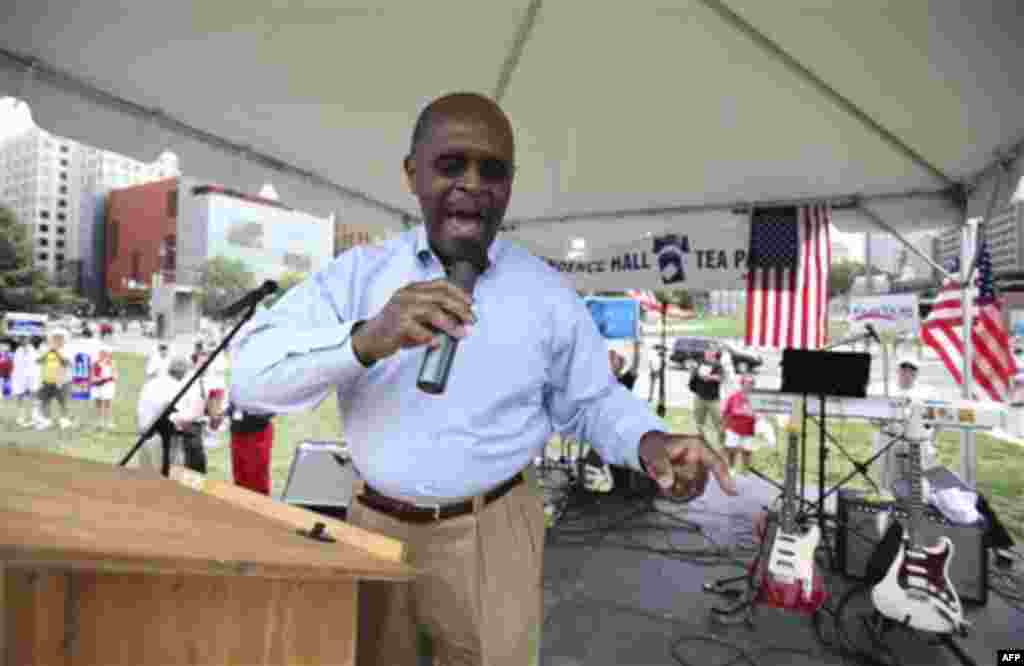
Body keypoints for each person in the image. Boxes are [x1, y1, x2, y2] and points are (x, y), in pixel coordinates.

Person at [230, 91, 736, 666]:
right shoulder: (358, 277)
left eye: (492, 169)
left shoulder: (544, 293)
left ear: (509, 186)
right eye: (451, 164)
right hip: (371, 525)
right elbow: (251, 379)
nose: (472, 183)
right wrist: (365, 339)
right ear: (412, 174)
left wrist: (651, 441)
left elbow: (592, 400)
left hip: (493, 532)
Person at [871, 356, 939, 492]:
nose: (907, 373)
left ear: (917, 373)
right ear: (898, 370)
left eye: (912, 370)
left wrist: (932, 441)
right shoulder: (883, 389)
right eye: (904, 369)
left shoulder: (929, 392)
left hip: (917, 443)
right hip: (889, 441)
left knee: (917, 484)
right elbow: (873, 418)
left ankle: (916, 510)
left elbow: (935, 420)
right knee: (887, 483)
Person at [228, 407, 276, 495]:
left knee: (257, 482)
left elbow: (272, 406)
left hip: (257, 432)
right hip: (238, 431)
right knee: (240, 479)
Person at [35, 329, 73, 430]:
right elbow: (38, 361)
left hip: (63, 380)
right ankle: (46, 420)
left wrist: (56, 352)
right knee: (45, 401)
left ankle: (64, 420)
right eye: (55, 338)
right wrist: (48, 351)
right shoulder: (46, 349)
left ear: (64, 339)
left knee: (63, 401)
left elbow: (66, 362)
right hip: (47, 380)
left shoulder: (67, 349)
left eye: (60, 338)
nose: (57, 340)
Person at [721, 374, 757, 475]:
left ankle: (745, 469)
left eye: (751, 383)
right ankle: (731, 468)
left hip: (749, 430)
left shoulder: (756, 399)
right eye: (747, 383)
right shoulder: (734, 397)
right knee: (731, 450)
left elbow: (759, 414)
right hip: (734, 428)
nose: (749, 385)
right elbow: (726, 412)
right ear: (742, 384)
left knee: (747, 451)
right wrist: (723, 427)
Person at [690, 347, 725, 446]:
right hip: (699, 397)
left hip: (713, 399)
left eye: (711, 352)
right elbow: (694, 375)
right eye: (707, 352)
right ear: (705, 353)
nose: (708, 354)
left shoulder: (718, 365)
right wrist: (693, 370)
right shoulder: (700, 362)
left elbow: (721, 377)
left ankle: (722, 443)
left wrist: (710, 377)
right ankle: (700, 442)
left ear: (714, 354)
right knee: (698, 422)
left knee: (719, 422)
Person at [91, 345, 117, 430]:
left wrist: (108, 379)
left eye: (105, 353)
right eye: (101, 353)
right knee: (98, 404)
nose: (102, 355)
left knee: (107, 404)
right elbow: (92, 375)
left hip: (108, 386)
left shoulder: (111, 363)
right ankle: (99, 422)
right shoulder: (95, 363)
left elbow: (115, 376)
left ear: (108, 354)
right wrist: (96, 380)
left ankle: (109, 422)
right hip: (97, 386)